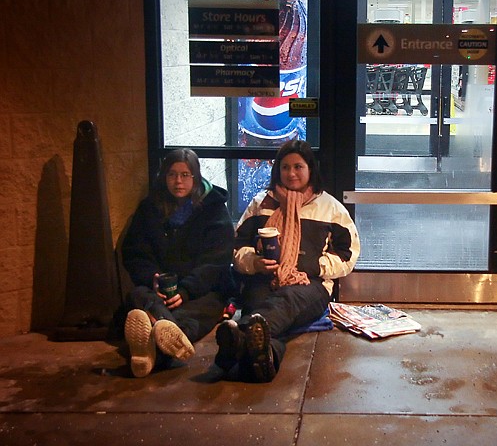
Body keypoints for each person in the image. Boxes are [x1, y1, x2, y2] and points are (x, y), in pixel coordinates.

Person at [214, 139, 360, 382]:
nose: (291, 173)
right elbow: (238, 246)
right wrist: (254, 262)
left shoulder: (329, 207)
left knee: (285, 302)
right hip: (264, 279)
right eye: (285, 167)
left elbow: (348, 255)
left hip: (310, 284)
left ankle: (236, 341)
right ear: (277, 170)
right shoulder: (262, 203)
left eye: (298, 167)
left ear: (310, 170)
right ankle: (264, 356)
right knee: (260, 315)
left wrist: (313, 266)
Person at [122, 148, 235, 378]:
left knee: (199, 312)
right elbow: (136, 251)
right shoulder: (150, 208)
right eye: (172, 174)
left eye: (185, 175)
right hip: (160, 289)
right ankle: (162, 335)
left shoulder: (213, 209)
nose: (178, 181)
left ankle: (152, 347)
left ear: (195, 177)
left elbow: (216, 261)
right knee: (139, 296)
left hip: (201, 289)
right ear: (164, 177)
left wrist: (186, 290)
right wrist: (152, 278)